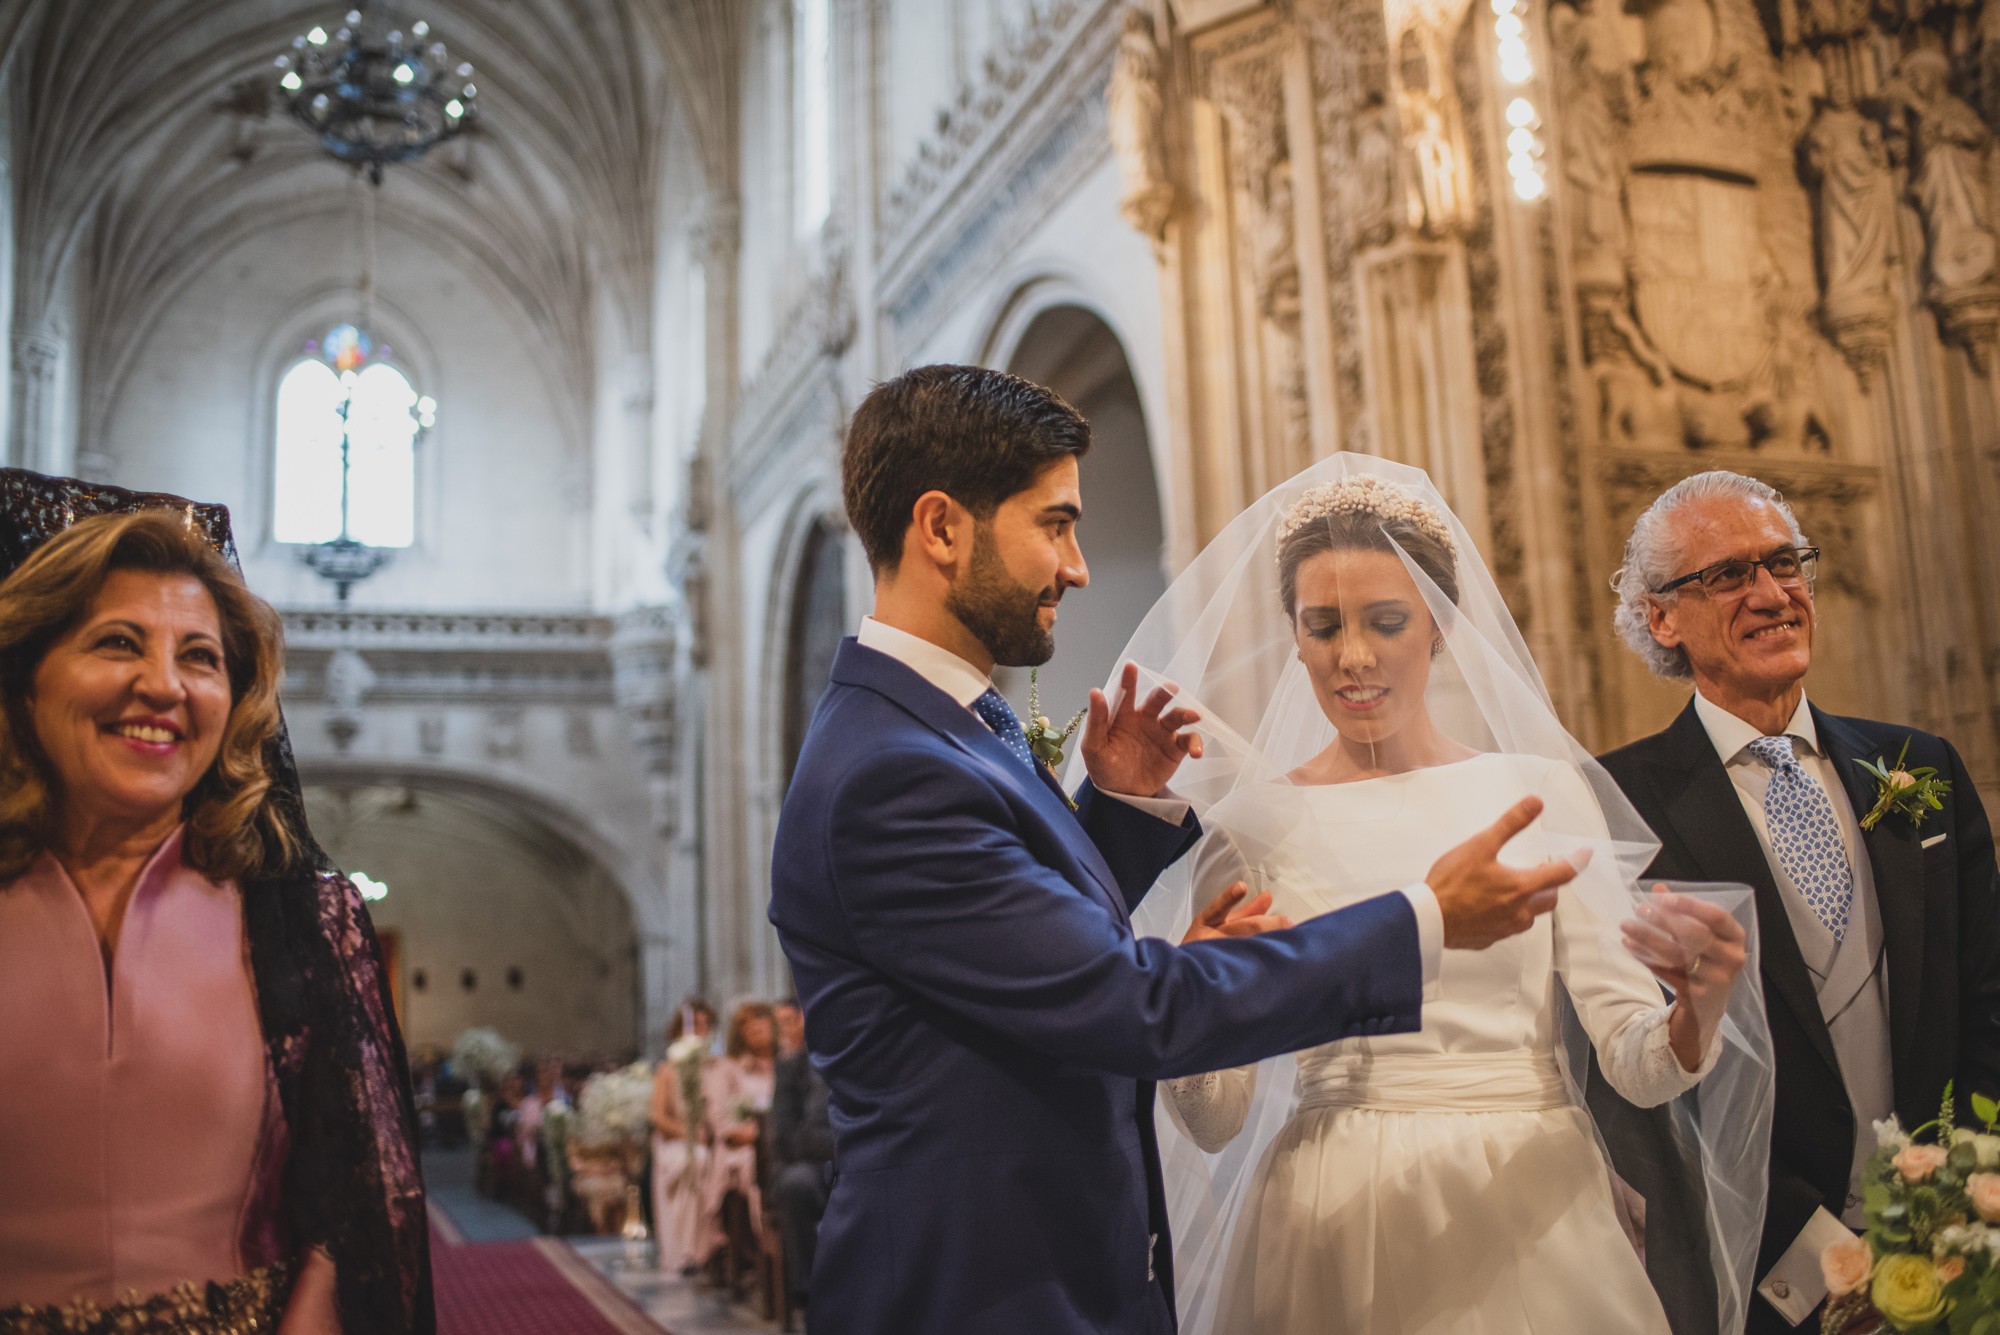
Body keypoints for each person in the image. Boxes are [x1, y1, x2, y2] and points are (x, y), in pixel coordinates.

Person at [768, 366, 1582, 1334]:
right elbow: (1129, 1008)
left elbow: (1000, 962)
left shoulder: (930, 732)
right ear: (939, 528)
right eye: (1054, 523)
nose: (1073, 566)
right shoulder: (889, 771)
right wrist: (1423, 919)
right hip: (984, 1288)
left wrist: (1108, 811)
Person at [1137, 462, 1767, 1335]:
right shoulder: (1253, 828)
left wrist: (1694, 1008)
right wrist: (1186, 1011)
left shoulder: (1537, 792)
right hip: (1333, 1213)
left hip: (1530, 1198)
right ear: (1293, 634)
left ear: (1437, 624)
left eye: (1385, 622)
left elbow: (1637, 1062)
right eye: (1323, 626)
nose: (1353, 656)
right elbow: (1216, 1118)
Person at [0, 476, 431, 1334]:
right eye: (118, 642)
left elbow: (355, 1202)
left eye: (200, 657)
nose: (163, 686)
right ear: (26, 677)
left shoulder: (306, 921)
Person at [1593, 470, 2000, 1334]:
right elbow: (1637, 1082)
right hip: (1762, 1278)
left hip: (1954, 1250)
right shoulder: (1615, 804)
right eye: (1730, 575)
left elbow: (1987, 1004)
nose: (1774, 594)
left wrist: (1957, 1202)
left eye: (1786, 563)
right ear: (1662, 616)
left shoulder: (1920, 768)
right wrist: (1818, 1266)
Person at [769, 1016, 834, 1312]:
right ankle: (809, 1295)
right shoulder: (792, 1067)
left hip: (857, 1160)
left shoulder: (864, 1055)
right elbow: (786, 1134)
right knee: (797, 1184)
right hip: (811, 1162)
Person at [649, 1003, 715, 1273]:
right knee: (695, 1162)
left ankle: (706, 1249)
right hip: (674, 1141)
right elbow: (658, 1116)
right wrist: (690, 1136)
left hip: (707, 1141)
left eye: (704, 1025)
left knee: (705, 1160)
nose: (700, 1031)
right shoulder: (668, 1069)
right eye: (693, 1026)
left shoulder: (715, 1066)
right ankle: (687, 1251)